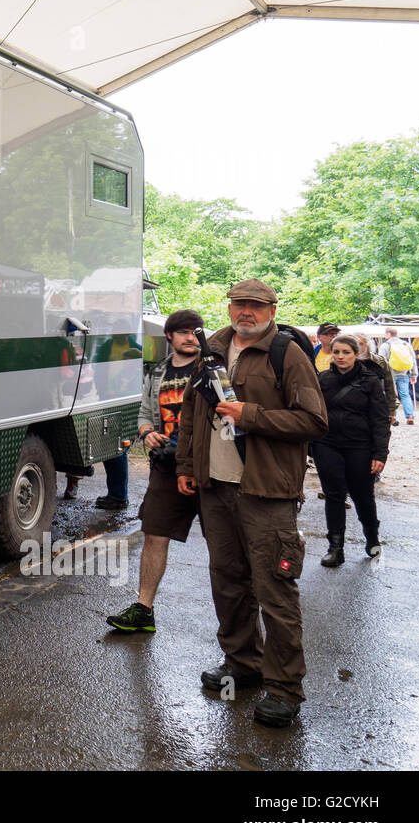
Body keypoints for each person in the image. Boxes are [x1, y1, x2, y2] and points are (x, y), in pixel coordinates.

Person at [176, 278, 327, 728]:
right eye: (240, 303)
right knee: (228, 580)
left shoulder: (288, 352)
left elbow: (315, 420)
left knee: (275, 592)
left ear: (271, 309)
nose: (247, 311)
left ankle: (284, 688)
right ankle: (243, 663)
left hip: (266, 491)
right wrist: (186, 466)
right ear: (229, 306)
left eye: (256, 306)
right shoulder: (213, 349)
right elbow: (191, 413)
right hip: (216, 487)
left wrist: (251, 415)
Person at [106, 309, 204, 633]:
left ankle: (239, 631)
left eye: (195, 331)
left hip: (208, 466)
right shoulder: (157, 372)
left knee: (225, 544)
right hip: (167, 465)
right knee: (154, 535)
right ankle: (143, 610)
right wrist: (147, 431)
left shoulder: (213, 368)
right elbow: (144, 412)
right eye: (184, 332)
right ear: (170, 337)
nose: (191, 337)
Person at [314, 335, 389, 567]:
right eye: (336, 352)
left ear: (357, 354)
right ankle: (335, 548)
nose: (340, 357)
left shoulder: (370, 381)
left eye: (346, 352)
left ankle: (372, 538)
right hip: (327, 444)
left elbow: (380, 419)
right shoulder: (323, 379)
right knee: (334, 494)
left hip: (360, 446)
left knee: (362, 495)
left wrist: (380, 453)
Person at [379, 328, 417, 425]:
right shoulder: (406, 345)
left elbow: (381, 361)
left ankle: (392, 416)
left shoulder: (385, 345)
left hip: (389, 375)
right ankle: (410, 416)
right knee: (405, 395)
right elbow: (413, 360)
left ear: (388, 334)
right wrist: (414, 374)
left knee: (390, 395)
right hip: (404, 374)